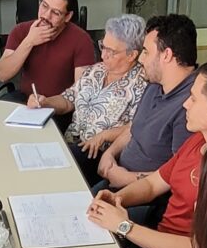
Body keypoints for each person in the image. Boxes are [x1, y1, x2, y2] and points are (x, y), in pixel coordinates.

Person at [86, 59, 207, 248]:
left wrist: (124, 226)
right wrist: (117, 199)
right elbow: (152, 184)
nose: (185, 103)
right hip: (151, 236)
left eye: (194, 99)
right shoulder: (197, 140)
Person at [27, 13, 146, 185]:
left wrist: (105, 135)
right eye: (103, 47)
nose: (103, 55)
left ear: (131, 55)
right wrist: (45, 101)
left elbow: (136, 127)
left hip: (98, 153)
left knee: (45, 170)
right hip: (70, 140)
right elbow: (69, 100)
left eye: (111, 51)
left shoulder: (141, 84)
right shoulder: (96, 70)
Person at [91, 13, 199, 189]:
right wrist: (109, 154)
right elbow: (134, 129)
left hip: (147, 198)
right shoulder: (155, 84)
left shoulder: (192, 104)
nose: (140, 59)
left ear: (167, 55)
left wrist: (127, 179)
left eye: (146, 52)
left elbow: (179, 174)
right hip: (118, 177)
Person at [0, 0, 96, 102]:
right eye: (44, 6)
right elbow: (2, 74)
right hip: (26, 103)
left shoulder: (81, 40)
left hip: (60, 108)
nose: (46, 16)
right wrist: (29, 42)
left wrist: (47, 103)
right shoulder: (21, 31)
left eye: (56, 12)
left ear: (68, 16)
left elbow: (81, 95)